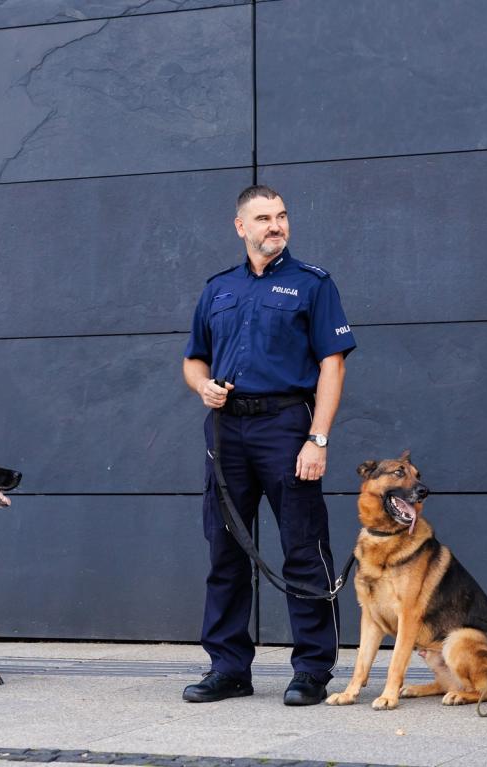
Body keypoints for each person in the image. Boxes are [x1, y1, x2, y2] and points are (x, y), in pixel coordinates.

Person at [181, 185, 357, 706]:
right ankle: (228, 668)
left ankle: (312, 670)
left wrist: (317, 438)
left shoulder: (313, 285)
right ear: (241, 227)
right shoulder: (218, 289)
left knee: (304, 548)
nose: (275, 225)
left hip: (286, 426)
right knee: (226, 551)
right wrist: (202, 386)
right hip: (226, 431)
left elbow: (333, 363)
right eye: (263, 218)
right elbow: (194, 359)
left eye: (281, 216)